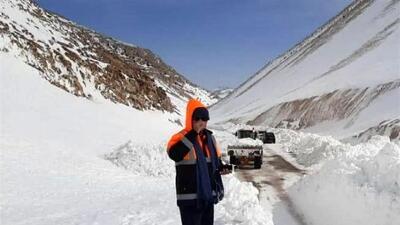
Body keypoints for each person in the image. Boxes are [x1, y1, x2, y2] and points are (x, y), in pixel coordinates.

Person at [167, 99, 230, 225]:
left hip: (208, 197)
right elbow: (174, 154)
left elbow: (216, 163)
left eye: (205, 119)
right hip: (190, 200)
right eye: (197, 118)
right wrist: (193, 134)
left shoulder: (210, 138)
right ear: (190, 118)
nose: (201, 122)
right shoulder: (180, 137)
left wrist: (225, 168)